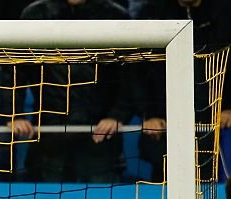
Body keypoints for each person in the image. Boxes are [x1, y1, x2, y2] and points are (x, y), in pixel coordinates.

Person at [11, 0, 139, 183]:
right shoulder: (36, 14)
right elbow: (16, 71)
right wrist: (15, 114)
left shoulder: (115, 17)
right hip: (49, 134)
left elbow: (130, 74)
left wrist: (118, 114)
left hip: (99, 135)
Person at [132, 0, 231, 182]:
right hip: (167, 133)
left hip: (221, 129)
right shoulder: (151, 11)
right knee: (167, 198)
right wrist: (149, 113)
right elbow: (137, 68)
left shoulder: (229, 9)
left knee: (224, 196)